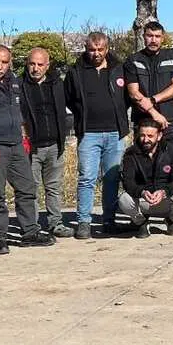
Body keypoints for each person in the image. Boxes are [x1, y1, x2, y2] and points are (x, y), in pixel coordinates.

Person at [0, 44, 54, 255]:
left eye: (4, 62)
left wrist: (24, 136)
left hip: (16, 144)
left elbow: (19, 111)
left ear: (10, 63)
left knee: (27, 188)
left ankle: (30, 232)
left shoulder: (13, 80)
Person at [65, 31, 131, 239]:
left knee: (112, 178)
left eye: (100, 49)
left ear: (107, 49)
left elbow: (128, 96)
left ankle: (109, 220)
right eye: (92, 50)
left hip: (115, 133)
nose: (96, 54)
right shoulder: (76, 71)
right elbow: (69, 99)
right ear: (86, 49)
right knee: (87, 178)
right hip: (89, 134)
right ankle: (84, 222)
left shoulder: (119, 69)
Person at [20, 47, 72, 238]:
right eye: (32, 64)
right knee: (30, 189)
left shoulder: (57, 84)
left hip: (54, 144)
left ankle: (55, 223)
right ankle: (32, 227)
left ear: (47, 65)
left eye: (40, 64)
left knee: (53, 187)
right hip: (31, 147)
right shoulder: (20, 85)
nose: (35, 68)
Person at [118, 120, 173, 238]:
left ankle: (171, 220)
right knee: (123, 200)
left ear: (159, 136)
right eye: (142, 135)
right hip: (143, 200)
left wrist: (164, 191)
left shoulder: (172, 150)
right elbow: (128, 182)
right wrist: (142, 192)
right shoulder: (130, 154)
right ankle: (141, 222)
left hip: (166, 198)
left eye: (150, 136)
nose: (145, 140)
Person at [124, 20, 173, 143]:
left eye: (157, 36)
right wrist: (153, 113)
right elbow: (133, 93)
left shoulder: (172, 57)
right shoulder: (133, 60)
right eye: (150, 36)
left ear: (162, 38)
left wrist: (153, 99)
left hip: (169, 121)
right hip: (143, 121)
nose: (153, 40)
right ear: (143, 37)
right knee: (144, 161)